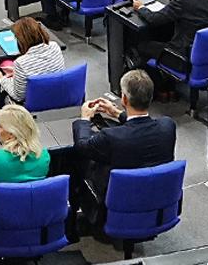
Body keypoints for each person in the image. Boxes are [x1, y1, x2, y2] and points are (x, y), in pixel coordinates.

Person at [70, 68, 176, 214]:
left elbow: (82, 146)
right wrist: (117, 113)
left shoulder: (111, 137)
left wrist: (84, 119)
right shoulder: (168, 126)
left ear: (124, 99)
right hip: (155, 197)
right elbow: (141, 125)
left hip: (119, 203)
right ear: (151, 97)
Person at [0, 102, 50, 201]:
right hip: (33, 209)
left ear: (11, 134)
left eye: (0, 126)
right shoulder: (43, 155)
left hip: (0, 212)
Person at [0, 16, 65, 103]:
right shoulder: (55, 47)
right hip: (58, 97)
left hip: (35, 105)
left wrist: (1, 77)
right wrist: (18, 74)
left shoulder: (20, 63)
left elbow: (18, 96)